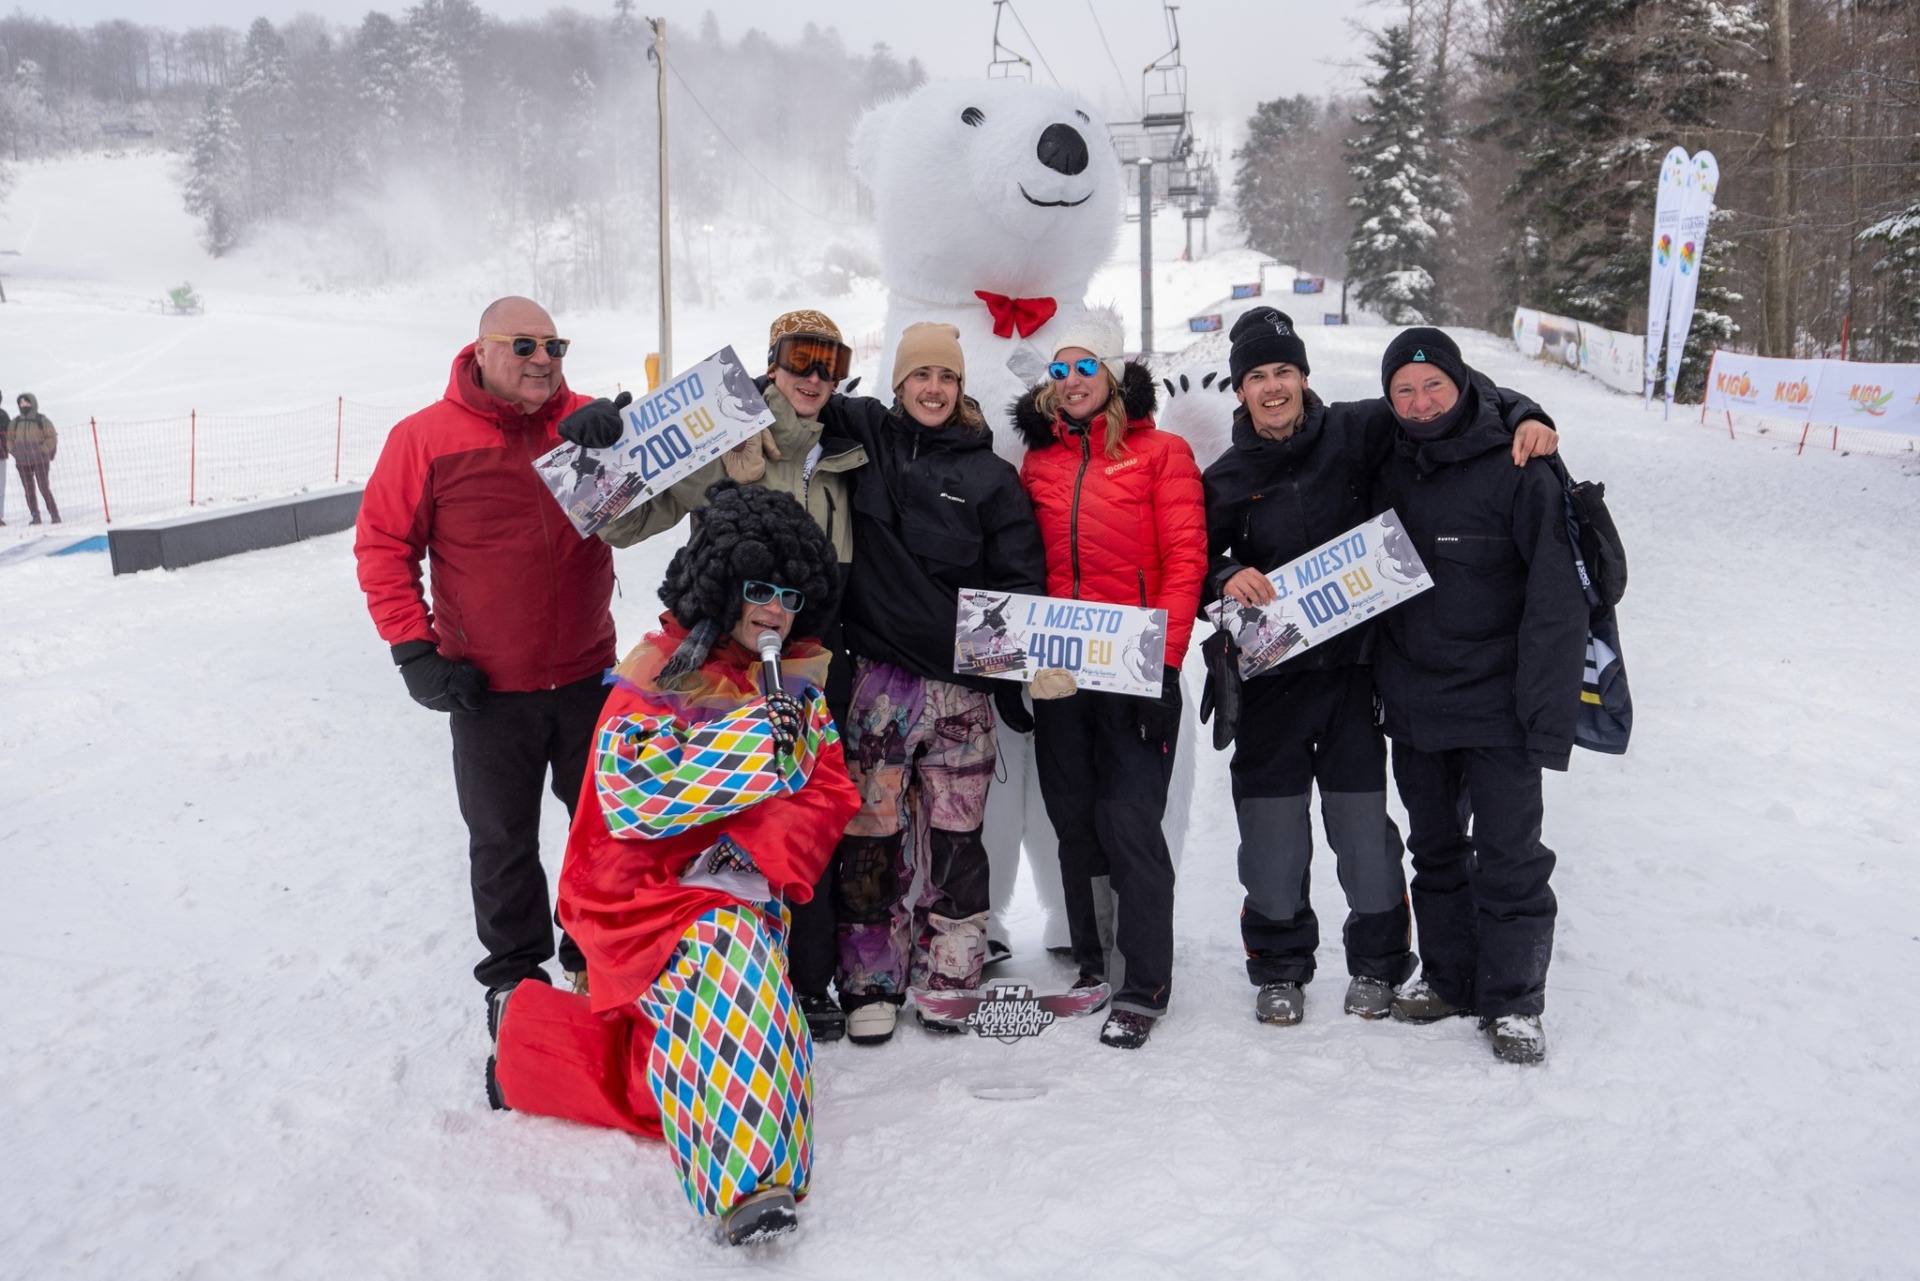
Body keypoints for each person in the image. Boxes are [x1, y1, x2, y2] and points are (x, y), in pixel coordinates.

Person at [488, 481, 859, 1246]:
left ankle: (529, 1041)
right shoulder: (665, 668)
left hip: (736, 890)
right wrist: (757, 751)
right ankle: (749, 1186)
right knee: (732, 991)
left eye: (790, 595)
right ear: (724, 584)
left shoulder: (797, 688)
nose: (774, 609)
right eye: (759, 588)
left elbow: (826, 799)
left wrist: (741, 837)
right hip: (639, 895)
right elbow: (634, 795)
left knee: (752, 1039)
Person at [1201, 308, 1559, 1027]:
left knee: (1366, 834)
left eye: (1284, 371)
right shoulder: (1225, 477)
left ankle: (1379, 962)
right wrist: (1224, 575)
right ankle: (1279, 965)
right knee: (1271, 840)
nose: (1273, 387)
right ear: (1239, 390)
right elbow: (1196, 560)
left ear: (1305, 375)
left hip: (1357, 676)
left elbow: (1446, 399)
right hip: (1271, 684)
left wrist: (1528, 411)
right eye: (1257, 376)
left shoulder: (1356, 430)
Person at [558, 309, 868, 1042]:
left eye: (831, 361)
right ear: (772, 358)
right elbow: (620, 518)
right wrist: (606, 448)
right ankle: (631, 957)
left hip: (810, 653)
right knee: (699, 801)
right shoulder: (720, 425)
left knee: (803, 805)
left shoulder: (853, 439)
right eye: (801, 357)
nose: (814, 376)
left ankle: (800, 973)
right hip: (717, 655)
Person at [354, 297, 615, 1020]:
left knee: (603, 827)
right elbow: (383, 545)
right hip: (487, 684)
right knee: (502, 836)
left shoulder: (587, 420)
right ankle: (515, 977)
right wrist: (414, 649)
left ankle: (595, 952)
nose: (544, 359)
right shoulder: (424, 437)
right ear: (481, 349)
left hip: (589, 674)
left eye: (556, 346)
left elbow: (654, 488)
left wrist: (620, 440)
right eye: (525, 344)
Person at [817, 323, 1048, 1044]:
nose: (933, 388)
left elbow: (1020, 582)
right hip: (879, 685)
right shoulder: (867, 439)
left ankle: (950, 974)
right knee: (871, 840)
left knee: (956, 841)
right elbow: (792, 396)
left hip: (961, 692)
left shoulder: (990, 477)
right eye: (920, 375)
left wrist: (1020, 677)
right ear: (898, 383)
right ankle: (870, 982)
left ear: (960, 386)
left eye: (945, 377)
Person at [1369, 327, 1588, 1065]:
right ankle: (1450, 977)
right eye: (1404, 389)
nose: (1421, 402)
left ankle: (1515, 1000)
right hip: (1415, 697)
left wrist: (1549, 715)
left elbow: (1559, 603)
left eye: (1434, 385)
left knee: (1510, 855)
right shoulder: (1383, 459)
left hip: (1500, 704)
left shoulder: (1521, 465)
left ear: (1463, 385)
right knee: (1433, 849)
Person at [1011, 310, 1208, 1050]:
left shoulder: (1162, 453)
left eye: (1084, 368)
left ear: (1114, 374)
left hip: (1135, 669)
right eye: (1058, 372)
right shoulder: (1042, 462)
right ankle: (1095, 959)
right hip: (1063, 669)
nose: (1070, 384)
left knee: (1130, 818)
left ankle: (1143, 979)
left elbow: (1185, 563)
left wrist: (1164, 668)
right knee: (1076, 817)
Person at [10, 393, 60, 525]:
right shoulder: (15, 422)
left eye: (26, 402)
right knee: (28, 489)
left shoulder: (42, 420)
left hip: (40, 460)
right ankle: (35, 516)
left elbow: (51, 437)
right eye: (21, 403)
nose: (24, 405)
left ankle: (54, 514)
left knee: (43, 487)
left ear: (32, 403)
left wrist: (43, 450)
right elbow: (9, 439)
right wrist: (15, 451)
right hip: (22, 461)